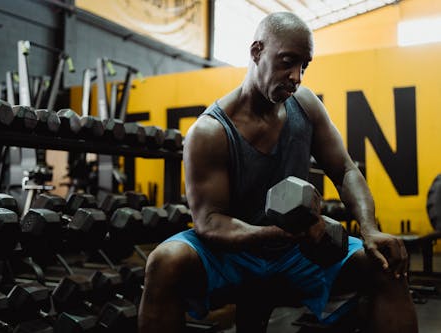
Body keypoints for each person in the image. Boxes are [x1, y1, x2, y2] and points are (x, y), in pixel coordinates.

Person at [138, 11, 418, 333]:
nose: (297, 77)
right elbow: (210, 222)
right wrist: (281, 233)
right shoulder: (210, 131)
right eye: (287, 62)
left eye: (304, 66)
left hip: (295, 253)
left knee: (386, 264)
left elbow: (345, 170)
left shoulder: (306, 105)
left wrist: (369, 230)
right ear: (257, 51)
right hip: (233, 252)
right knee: (164, 261)